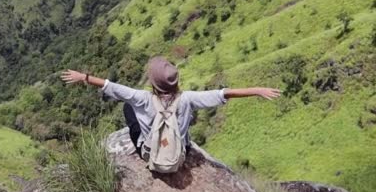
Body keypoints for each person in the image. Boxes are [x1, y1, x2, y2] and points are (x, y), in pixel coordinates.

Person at [61, 56, 280, 158]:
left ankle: (145, 145)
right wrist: (256, 90)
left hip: (151, 156)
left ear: (153, 83)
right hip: (179, 155)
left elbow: (110, 86)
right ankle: (182, 143)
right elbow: (224, 94)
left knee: (128, 108)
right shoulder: (188, 99)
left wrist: (84, 77)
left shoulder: (142, 98)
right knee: (182, 121)